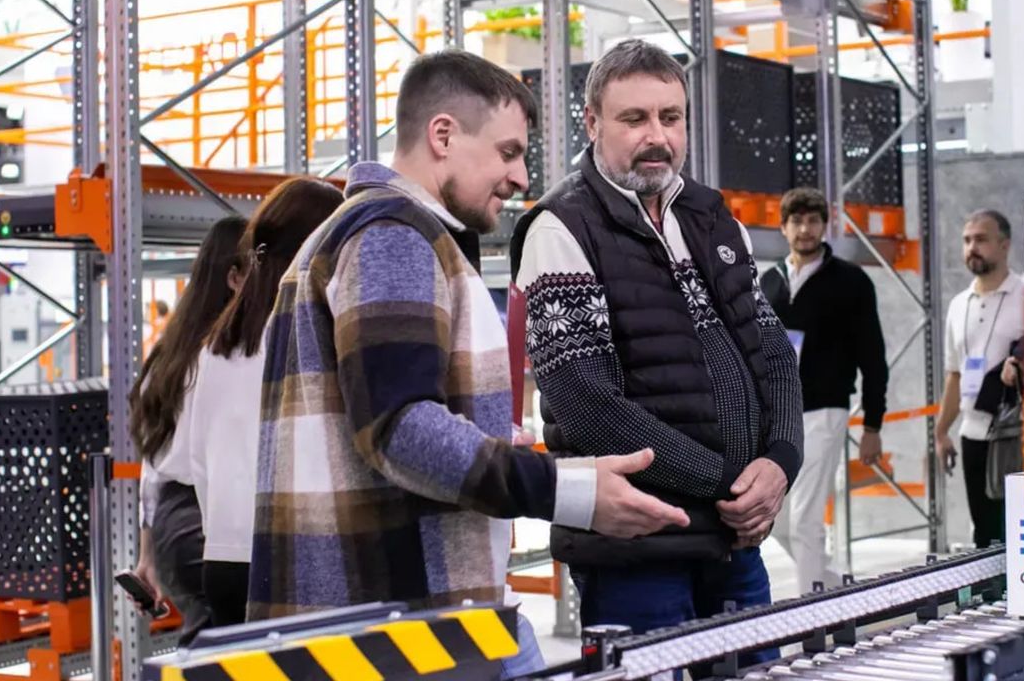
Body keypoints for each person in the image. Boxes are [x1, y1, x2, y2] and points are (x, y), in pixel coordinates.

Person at [247, 49, 690, 630]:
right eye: (508, 152)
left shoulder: (371, 233)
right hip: (389, 621)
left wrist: (507, 448)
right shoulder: (392, 236)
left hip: (377, 613)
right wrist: (566, 491)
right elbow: (400, 428)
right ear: (443, 135)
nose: (522, 178)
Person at [509, 39, 804, 661]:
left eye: (671, 117)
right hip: (638, 551)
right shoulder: (561, 227)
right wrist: (730, 487)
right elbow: (587, 407)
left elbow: (774, 354)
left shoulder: (714, 219)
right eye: (634, 118)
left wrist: (780, 462)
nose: (657, 137)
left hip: (733, 544)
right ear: (592, 123)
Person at [186, 177, 344, 628]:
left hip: (223, 558)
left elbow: (199, 460)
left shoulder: (216, 346)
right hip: (291, 555)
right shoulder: (306, 337)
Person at [759, 186, 888, 593]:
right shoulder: (768, 282)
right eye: (796, 221)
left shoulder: (851, 281)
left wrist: (873, 424)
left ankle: (812, 616)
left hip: (825, 409)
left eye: (813, 221)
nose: (805, 229)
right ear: (783, 228)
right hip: (778, 416)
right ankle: (834, 588)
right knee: (776, 520)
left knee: (805, 520)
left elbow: (873, 355)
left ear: (825, 226)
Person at [130, 215, 247, 641]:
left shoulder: (170, 355)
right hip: (206, 518)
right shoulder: (223, 358)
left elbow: (153, 470)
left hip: (173, 525)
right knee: (228, 649)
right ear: (234, 278)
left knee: (208, 643)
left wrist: (148, 554)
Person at [934, 210, 1024, 549]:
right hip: (972, 434)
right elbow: (955, 374)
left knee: (1017, 529)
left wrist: (1021, 364)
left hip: (1017, 433)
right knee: (985, 535)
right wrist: (941, 431)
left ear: (1004, 245)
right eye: (967, 240)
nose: (972, 247)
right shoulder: (959, 305)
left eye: (981, 239)